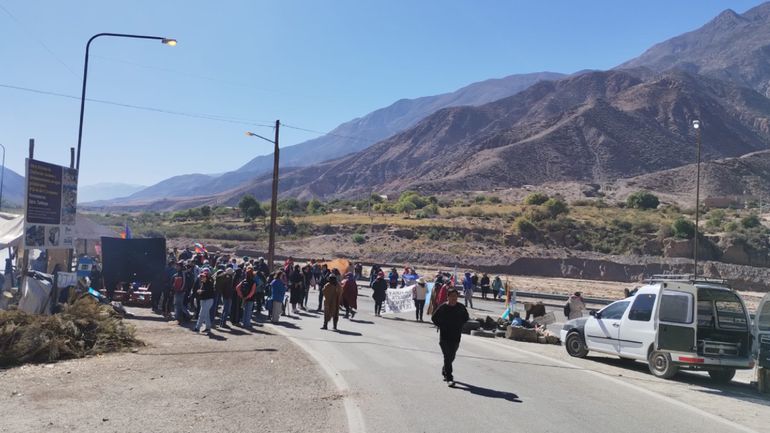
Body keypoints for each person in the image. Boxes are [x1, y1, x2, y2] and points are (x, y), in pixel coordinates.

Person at [431, 288, 469, 386]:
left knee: (452, 356)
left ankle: (445, 369)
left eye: (455, 296)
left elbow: (466, 317)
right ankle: (449, 378)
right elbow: (434, 318)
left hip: (456, 336)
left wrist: (459, 325)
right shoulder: (443, 307)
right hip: (444, 336)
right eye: (452, 296)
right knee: (447, 356)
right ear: (448, 297)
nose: (454, 298)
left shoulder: (461, 307)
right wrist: (442, 325)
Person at [194, 269, 215, 334]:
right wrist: (199, 292)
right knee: (206, 315)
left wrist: (201, 291)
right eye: (201, 276)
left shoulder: (210, 283)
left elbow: (210, 292)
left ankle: (197, 328)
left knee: (201, 314)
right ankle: (208, 328)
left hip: (209, 300)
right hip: (203, 300)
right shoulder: (203, 283)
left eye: (203, 276)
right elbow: (202, 291)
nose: (202, 277)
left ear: (207, 277)